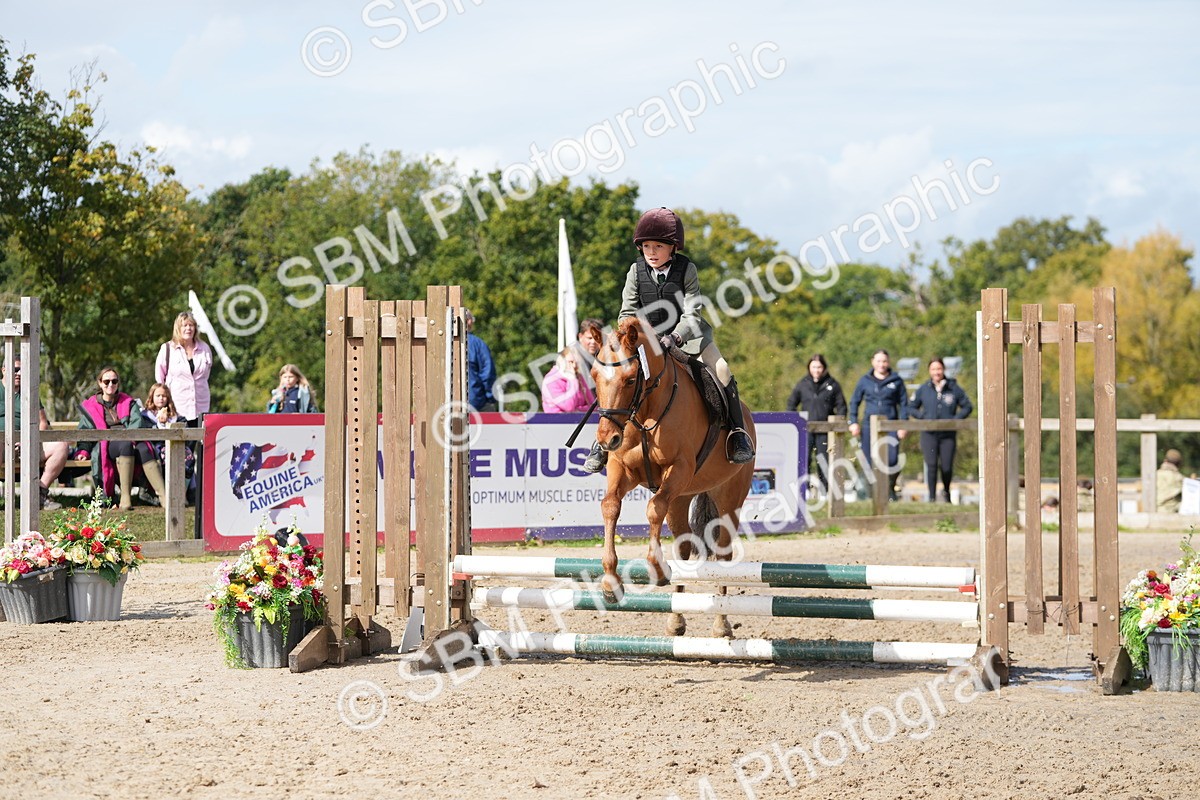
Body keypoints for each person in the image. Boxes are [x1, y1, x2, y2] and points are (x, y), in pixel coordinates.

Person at [583, 206, 755, 473]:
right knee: (618, 378)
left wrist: (674, 336)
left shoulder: (687, 270)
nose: (651, 252)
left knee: (722, 370)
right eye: (647, 246)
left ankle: (737, 433)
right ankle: (602, 445)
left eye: (658, 247)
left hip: (690, 338)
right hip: (644, 343)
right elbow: (626, 312)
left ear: (673, 247)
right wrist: (643, 337)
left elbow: (692, 313)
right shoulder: (635, 271)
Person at [77, 366, 166, 510]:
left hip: (132, 439)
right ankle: (125, 498)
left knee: (144, 448)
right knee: (125, 445)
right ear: (100, 383)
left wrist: (131, 437)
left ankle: (164, 497)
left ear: (118, 383)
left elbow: (137, 424)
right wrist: (83, 451)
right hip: (108, 443)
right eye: (106, 382)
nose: (110, 385)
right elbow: (85, 431)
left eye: (114, 381)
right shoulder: (91, 406)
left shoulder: (128, 402)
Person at [0, 359, 69, 509]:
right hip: (2, 444)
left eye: (21, 370)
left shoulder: (30, 392)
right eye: (15, 369)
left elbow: (42, 423)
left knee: (61, 446)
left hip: (26, 445)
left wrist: (29, 441)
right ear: (4, 370)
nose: (18, 373)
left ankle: (39, 493)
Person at [908, 357, 973, 503]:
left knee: (946, 467)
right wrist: (922, 417)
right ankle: (931, 497)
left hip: (947, 435)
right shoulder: (923, 389)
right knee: (931, 465)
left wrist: (955, 419)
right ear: (929, 371)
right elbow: (911, 407)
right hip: (929, 434)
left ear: (943, 370)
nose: (936, 372)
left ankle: (946, 493)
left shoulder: (953, 388)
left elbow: (967, 406)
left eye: (939, 369)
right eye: (933, 369)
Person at [848, 349, 908, 501]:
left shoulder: (897, 381)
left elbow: (904, 404)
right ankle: (873, 494)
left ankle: (890, 489)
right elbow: (854, 401)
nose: (882, 364)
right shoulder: (864, 380)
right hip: (869, 426)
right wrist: (853, 421)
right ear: (873, 362)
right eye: (879, 361)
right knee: (869, 461)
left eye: (884, 361)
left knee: (893, 460)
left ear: (888, 363)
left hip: (891, 425)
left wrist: (903, 424)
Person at [786, 354, 847, 492]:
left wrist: (839, 424)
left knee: (824, 460)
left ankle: (825, 490)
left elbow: (841, 406)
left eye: (819, 367)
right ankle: (804, 490)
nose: (816, 370)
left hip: (826, 431)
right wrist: (794, 422)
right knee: (804, 460)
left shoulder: (832, 384)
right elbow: (791, 403)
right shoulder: (802, 384)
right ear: (809, 367)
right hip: (806, 430)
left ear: (824, 368)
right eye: (814, 367)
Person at [155, 311, 213, 427]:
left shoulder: (205, 348)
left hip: (201, 405)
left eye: (191, 325)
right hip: (177, 406)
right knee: (178, 442)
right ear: (178, 328)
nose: (188, 328)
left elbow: (205, 375)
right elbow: (160, 378)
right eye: (184, 325)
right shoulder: (167, 348)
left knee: (199, 442)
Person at [143, 382, 196, 485]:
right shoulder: (145, 416)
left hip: (177, 445)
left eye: (164, 396)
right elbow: (148, 435)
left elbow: (186, 434)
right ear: (152, 397)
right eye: (158, 396)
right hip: (156, 448)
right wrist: (160, 424)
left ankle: (182, 492)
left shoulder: (177, 417)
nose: (161, 398)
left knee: (188, 458)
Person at [541, 347, 595, 413]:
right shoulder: (550, 380)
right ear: (561, 361)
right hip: (557, 421)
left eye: (577, 363)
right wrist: (572, 380)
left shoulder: (579, 377)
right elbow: (569, 406)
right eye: (571, 362)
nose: (574, 366)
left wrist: (578, 410)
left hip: (579, 421)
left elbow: (593, 407)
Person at [464, 309, 498, 412]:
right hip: (476, 402)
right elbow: (487, 374)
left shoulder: (442, 345)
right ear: (469, 321)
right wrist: (490, 397)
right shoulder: (477, 344)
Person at [573, 318, 605, 388]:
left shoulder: (603, 359)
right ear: (580, 337)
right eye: (589, 338)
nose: (593, 342)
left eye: (596, 338)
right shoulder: (569, 358)